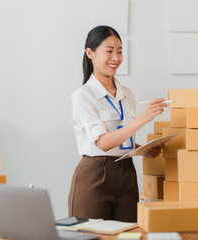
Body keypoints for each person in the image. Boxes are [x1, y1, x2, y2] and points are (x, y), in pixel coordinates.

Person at [68, 25, 167, 222]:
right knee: (91, 235)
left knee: (128, 233)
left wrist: (142, 149)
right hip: (96, 175)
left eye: (120, 51)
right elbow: (103, 143)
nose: (116, 58)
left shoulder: (127, 94)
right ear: (90, 53)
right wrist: (142, 120)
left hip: (127, 174)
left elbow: (120, 138)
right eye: (110, 51)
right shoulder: (83, 97)